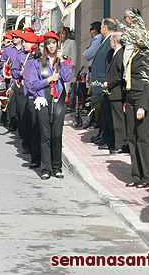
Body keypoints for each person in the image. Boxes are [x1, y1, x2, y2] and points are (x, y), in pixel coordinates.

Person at [24, 32, 72, 179]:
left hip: (58, 102)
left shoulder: (63, 61)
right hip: (44, 101)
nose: (51, 46)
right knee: (45, 135)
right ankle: (45, 168)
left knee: (57, 135)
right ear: (44, 46)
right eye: (48, 43)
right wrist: (48, 80)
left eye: (54, 43)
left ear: (57, 45)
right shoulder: (38, 63)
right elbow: (31, 85)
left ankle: (57, 166)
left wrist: (62, 60)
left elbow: (68, 77)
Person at [124, 21, 149, 189]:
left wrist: (142, 106)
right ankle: (136, 175)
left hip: (142, 99)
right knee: (132, 137)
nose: (132, 37)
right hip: (131, 97)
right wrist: (126, 101)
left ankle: (147, 176)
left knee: (143, 138)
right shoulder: (135, 52)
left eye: (135, 35)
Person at [90, 19, 117, 150]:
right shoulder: (105, 41)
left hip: (105, 82)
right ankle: (104, 136)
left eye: (101, 26)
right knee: (104, 113)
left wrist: (107, 80)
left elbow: (109, 64)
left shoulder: (111, 41)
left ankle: (109, 139)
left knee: (107, 113)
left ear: (105, 28)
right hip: (101, 81)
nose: (100, 29)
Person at [104, 32, 127, 155]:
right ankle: (120, 143)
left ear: (115, 41)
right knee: (116, 119)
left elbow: (119, 75)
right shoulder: (117, 53)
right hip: (115, 92)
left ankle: (120, 145)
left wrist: (109, 83)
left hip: (117, 92)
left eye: (111, 41)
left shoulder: (119, 54)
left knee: (119, 121)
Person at [82, 21, 102, 129]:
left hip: (95, 71)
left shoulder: (98, 39)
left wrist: (86, 52)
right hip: (91, 70)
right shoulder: (95, 40)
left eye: (91, 29)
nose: (90, 32)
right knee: (92, 96)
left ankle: (95, 120)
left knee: (94, 97)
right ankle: (93, 118)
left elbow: (87, 53)